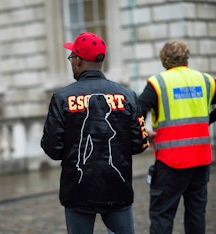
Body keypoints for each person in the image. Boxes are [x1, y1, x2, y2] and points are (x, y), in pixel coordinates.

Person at [41, 32, 149, 234]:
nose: (71, 61)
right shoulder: (127, 95)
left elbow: (52, 148)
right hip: (117, 186)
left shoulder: (62, 98)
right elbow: (140, 143)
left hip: (78, 188)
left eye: (72, 57)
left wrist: (76, 159)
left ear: (79, 60)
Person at [138, 39, 216, 234]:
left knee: (162, 215)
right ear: (186, 58)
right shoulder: (206, 80)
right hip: (200, 158)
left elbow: (137, 111)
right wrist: (207, 120)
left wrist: (144, 133)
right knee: (196, 212)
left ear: (164, 60)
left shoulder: (158, 83)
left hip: (170, 160)